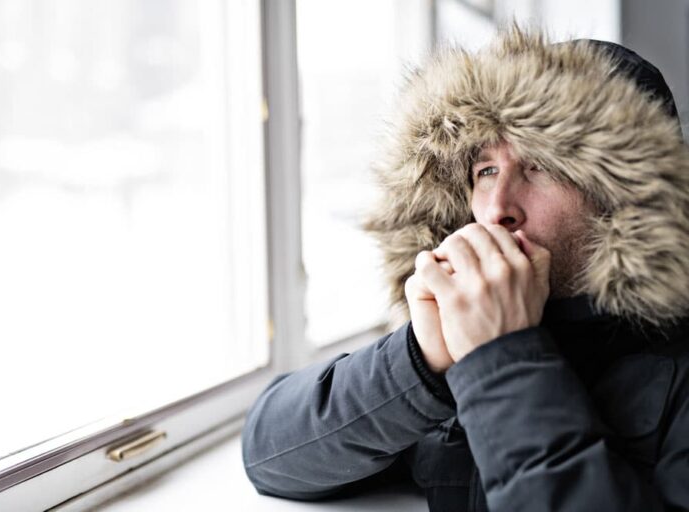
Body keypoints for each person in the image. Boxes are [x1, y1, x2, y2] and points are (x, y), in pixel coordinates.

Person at [241, 25, 689, 511]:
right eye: (486, 171)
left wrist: (501, 358)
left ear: (622, 195)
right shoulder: (459, 323)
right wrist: (419, 361)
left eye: (540, 166)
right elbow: (270, 455)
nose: (497, 208)